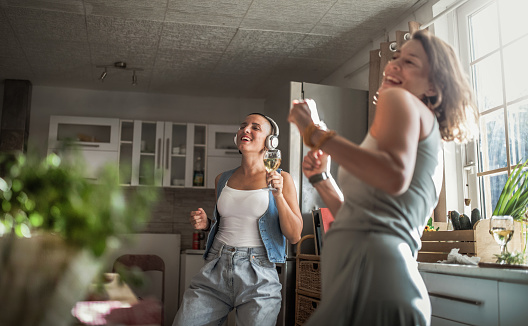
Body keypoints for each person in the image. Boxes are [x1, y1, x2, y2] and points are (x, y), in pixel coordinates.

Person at [287, 29, 477, 326]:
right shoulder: (425, 134)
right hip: (376, 280)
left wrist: (314, 132)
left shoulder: (401, 100)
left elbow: (392, 175)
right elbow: (366, 217)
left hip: (371, 279)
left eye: (410, 62)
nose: (393, 66)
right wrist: (321, 179)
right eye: (394, 58)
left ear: (433, 85)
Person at [173, 113, 303, 326]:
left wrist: (278, 194)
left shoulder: (282, 178)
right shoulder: (222, 179)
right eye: (243, 126)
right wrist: (207, 224)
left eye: (255, 127)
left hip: (259, 275)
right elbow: (230, 223)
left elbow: (295, 235)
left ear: (271, 141)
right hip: (216, 266)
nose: (246, 130)